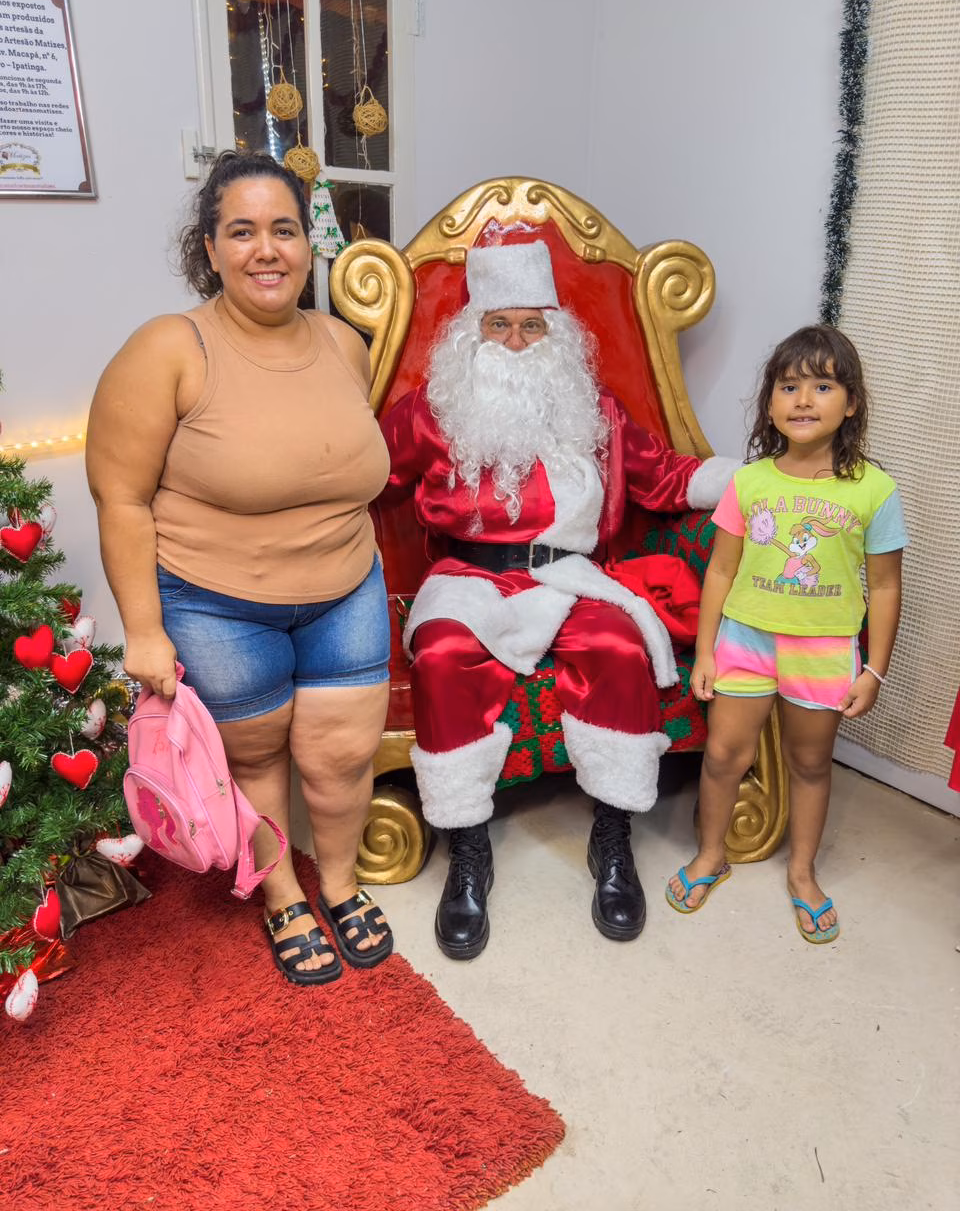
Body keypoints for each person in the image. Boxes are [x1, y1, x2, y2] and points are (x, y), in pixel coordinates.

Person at [377, 240, 736, 958]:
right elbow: (365, 469)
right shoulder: (431, 410)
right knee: (443, 652)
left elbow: (664, 478)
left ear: (555, 334)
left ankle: (612, 837)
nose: (514, 342)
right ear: (472, 331)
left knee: (616, 644)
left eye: (531, 326)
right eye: (499, 324)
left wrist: (758, 486)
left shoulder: (594, 411)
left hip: (568, 578)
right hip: (468, 579)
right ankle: (467, 850)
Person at [86, 150, 393, 985]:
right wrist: (143, 631)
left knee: (340, 761)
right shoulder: (169, 349)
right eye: (243, 231)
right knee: (255, 764)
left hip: (346, 592)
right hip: (217, 605)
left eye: (284, 230)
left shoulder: (343, 343)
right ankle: (285, 895)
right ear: (211, 248)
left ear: (308, 243)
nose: (267, 249)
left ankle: (341, 881)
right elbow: (121, 499)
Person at [666, 324, 907, 943]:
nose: (803, 399)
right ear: (770, 403)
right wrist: (704, 654)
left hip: (824, 650)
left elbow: (883, 586)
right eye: (789, 386)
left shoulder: (874, 490)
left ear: (850, 403)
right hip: (745, 640)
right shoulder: (749, 483)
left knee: (809, 762)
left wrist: (873, 668)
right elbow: (721, 569)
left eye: (822, 386)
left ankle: (802, 873)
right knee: (722, 757)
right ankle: (711, 856)